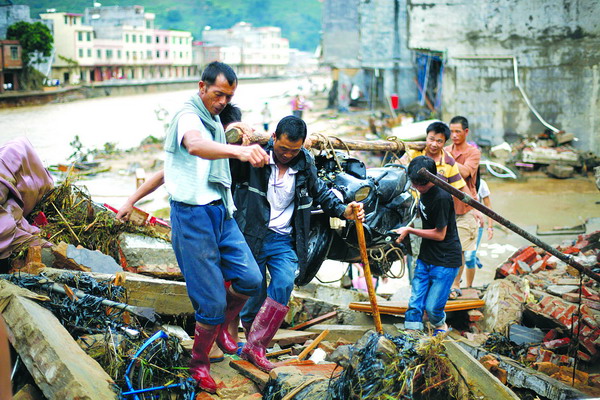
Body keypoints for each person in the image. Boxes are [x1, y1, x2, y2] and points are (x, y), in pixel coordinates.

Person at [163, 61, 269, 394]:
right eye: (218, 94)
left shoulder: (213, 120)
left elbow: (226, 130)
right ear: (202, 87)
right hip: (191, 216)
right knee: (209, 303)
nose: (222, 101)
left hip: (220, 210)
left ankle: (225, 321)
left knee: (251, 279)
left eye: (228, 96)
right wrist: (239, 150)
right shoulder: (188, 116)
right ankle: (198, 365)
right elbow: (195, 145)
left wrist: (245, 132)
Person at [231, 115, 364, 372]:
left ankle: (257, 347)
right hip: (251, 235)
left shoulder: (305, 163)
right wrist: (236, 137)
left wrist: (342, 210)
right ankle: (250, 342)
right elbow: (226, 169)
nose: (287, 155)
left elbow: (321, 192)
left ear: (302, 146)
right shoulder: (255, 158)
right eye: (282, 149)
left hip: (283, 238)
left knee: (283, 282)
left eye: (294, 150)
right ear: (273, 139)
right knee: (253, 292)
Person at [393, 156, 462, 334]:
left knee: (432, 308)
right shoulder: (423, 192)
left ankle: (440, 327)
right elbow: (419, 217)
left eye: (419, 184)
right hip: (426, 255)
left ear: (430, 179)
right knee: (415, 301)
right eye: (413, 183)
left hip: (445, 260)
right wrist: (405, 229)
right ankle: (411, 335)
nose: (416, 187)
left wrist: (409, 231)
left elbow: (440, 234)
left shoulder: (441, 197)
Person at [399, 122, 466, 282]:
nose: (434, 144)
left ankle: (431, 286)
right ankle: (414, 284)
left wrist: (467, 211)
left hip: (435, 213)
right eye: (431, 139)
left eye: (439, 141)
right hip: (414, 211)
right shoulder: (413, 154)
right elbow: (398, 167)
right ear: (426, 138)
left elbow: (459, 190)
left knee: (430, 247)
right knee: (413, 250)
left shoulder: (448, 162)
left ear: (444, 143)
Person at [446, 116, 481, 298]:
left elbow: (466, 172)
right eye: (451, 131)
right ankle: (444, 282)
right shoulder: (444, 150)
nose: (454, 135)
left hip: (465, 207)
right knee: (445, 246)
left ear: (466, 132)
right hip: (446, 206)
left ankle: (456, 283)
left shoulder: (473, 153)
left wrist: (448, 159)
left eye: (457, 131)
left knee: (460, 248)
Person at [464, 178, 494, 286]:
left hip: (476, 225)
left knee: (469, 256)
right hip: (460, 224)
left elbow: (488, 207)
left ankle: (468, 286)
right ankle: (455, 285)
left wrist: (490, 227)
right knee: (459, 255)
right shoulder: (457, 180)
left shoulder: (481, 184)